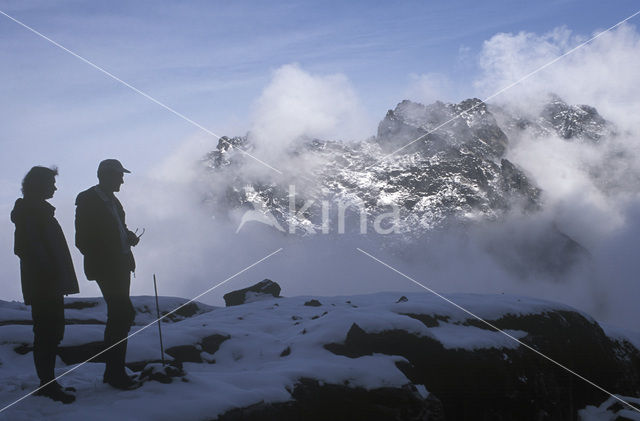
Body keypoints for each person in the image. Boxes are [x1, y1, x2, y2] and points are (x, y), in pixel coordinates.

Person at [10, 166, 79, 404]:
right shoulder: (31, 212)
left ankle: (49, 383)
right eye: (51, 183)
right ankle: (47, 385)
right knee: (47, 333)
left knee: (51, 332)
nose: (55, 187)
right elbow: (25, 248)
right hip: (44, 284)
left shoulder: (37, 211)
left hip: (47, 283)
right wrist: (47, 272)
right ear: (39, 184)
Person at [75, 159, 141, 390]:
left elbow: (116, 229)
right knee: (122, 315)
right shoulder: (88, 200)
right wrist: (112, 254)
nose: (122, 180)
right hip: (109, 268)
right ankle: (114, 373)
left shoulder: (112, 201)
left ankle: (115, 371)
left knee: (120, 316)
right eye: (119, 175)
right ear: (107, 176)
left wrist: (128, 236)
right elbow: (83, 240)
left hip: (120, 267)